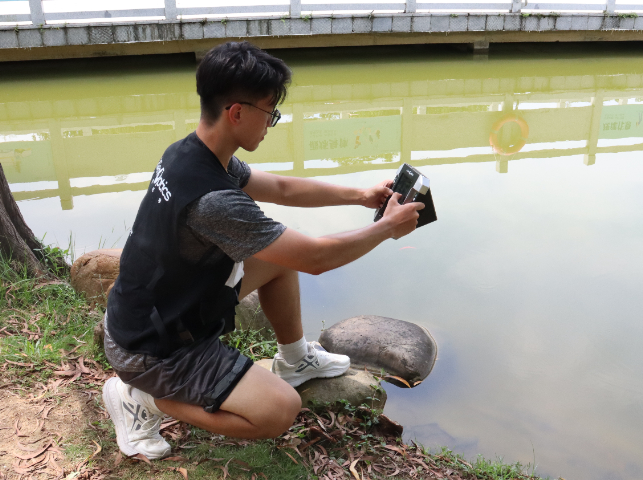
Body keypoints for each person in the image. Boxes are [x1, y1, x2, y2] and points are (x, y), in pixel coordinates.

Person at [101, 41, 424, 459]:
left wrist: (360, 194)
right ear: (237, 112)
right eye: (270, 112)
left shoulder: (191, 153)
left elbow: (283, 188)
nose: (271, 123)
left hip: (152, 313)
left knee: (276, 251)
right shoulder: (212, 200)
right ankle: (139, 399)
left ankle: (294, 359)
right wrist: (385, 228)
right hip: (156, 347)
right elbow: (316, 259)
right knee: (279, 411)